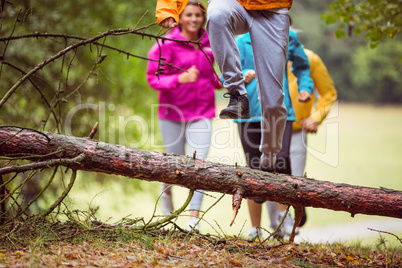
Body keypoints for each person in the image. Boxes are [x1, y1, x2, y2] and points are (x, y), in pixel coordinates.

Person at [155, 0, 299, 173]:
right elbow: (154, 77)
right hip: (234, 4)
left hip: (273, 10)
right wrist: (167, 10)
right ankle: (237, 95)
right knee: (217, 13)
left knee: (272, 101)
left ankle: (269, 152)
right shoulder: (170, 44)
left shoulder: (204, 43)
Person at [146, 0, 222, 231]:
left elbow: (213, 78)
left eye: (198, 15)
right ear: (179, 17)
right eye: (188, 15)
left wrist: (232, 82)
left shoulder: (210, 44)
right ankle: (166, 211)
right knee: (172, 166)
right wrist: (180, 78)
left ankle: (193, 219)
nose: (193, 19)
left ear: (203, 18)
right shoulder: (165, 44)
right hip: (172, 114)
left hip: (202, 112)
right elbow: (154, 79)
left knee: (198, 165)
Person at [233, 30, 314, 241]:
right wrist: (242, 75)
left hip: (280, 111)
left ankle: (282, 218)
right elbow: (226, 74)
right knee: (252, 167)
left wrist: (305, 87)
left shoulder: (287, 36)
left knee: (281, 161)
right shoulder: (241, 41)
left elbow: (303, 66)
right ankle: (255, 229)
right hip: (248, 114)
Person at [289, 49, 338, 179]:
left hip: (296, 132)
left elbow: (328, 93)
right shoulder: (259, 53)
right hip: (263, 129)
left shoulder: (310, 59)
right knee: (259, 187)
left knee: (292, 185)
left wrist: (316, 117)